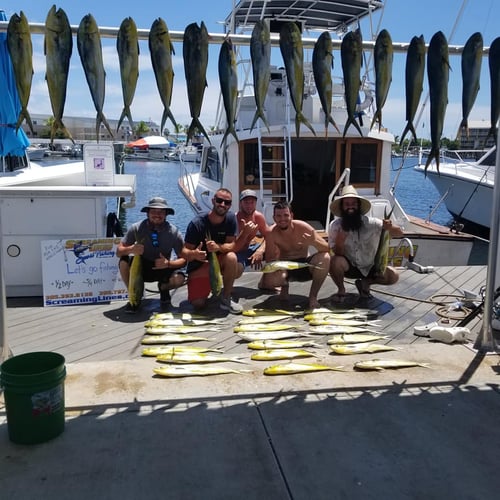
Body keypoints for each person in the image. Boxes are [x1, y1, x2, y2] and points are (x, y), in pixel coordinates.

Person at [328, 185, 404, 301]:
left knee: (394, 276)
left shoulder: (372, 223)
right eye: (347, 204)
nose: (350, 207)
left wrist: (389, 227)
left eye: (353, 204)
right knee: (334, 261)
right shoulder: (335, 226)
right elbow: (337, 253)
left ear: (358, 206)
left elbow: (399, 233)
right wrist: (340, 241)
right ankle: (341, 289)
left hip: (371, 267)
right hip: (350, 267)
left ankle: (366, 283)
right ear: (342, 207)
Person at [116, 197, 186, 313]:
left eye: (161, 212)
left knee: (180, 278)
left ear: (166, 214)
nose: (157, 215)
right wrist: (131, 249)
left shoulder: (174, 232)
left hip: (163, 268)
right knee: (123, 261)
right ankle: (133, 295)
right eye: (153, 211)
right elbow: (119, 251)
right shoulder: (136, 228)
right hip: (142, 267)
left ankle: (164, 290)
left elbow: (184, 259)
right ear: (147, 213)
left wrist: (168, 264)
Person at [181, 188, 243, 314]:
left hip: (219, 261)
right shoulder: (196, 223)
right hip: (200, 264)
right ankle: (210, 289)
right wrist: (193, 254)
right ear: (213, 201)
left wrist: (218, 248)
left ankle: (226, 296)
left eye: (227, 202)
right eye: (219, 201)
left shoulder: (231, 218)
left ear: (230, 205)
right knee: (198, 304)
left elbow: (232, 244)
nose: (223, 205)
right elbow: (183, 251)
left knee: (232, 257)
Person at [260, 201, 330, 309]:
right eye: (278, 216)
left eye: (286, 215)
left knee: (325, 257)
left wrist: (314, 242)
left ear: (291, 216)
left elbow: (327, 248)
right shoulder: (271, 233)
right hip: (286, 267)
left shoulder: (303, 227)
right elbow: (270, 259)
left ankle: (313, 297)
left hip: (305, 265)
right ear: (274, 218)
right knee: (269, 279)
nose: (282, 219)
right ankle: (284, 287)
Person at [233, 189, 271, 270]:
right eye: (246, 202)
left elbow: (269, 236)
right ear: (240, 203)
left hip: (251, 249)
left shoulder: (258, 217)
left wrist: (260, 251)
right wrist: (244, 233)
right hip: (237, 252)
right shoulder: (234, 219)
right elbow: (230, 246)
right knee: (233, 261)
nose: (249, 206)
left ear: (255, 203)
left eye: (252, 202)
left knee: (274, 248)